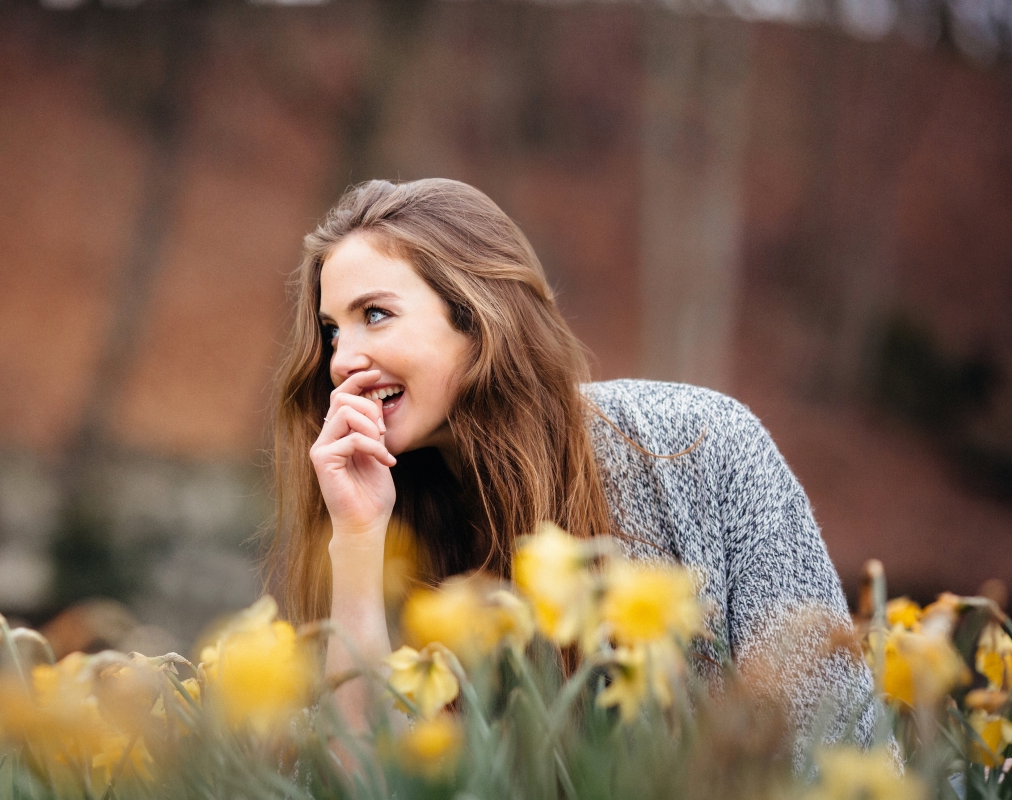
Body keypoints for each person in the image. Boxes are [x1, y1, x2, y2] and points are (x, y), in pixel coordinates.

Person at [266, 178, 877, 756]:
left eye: (374, 314)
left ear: (478, 317)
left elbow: (833, 736)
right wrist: (355, 539)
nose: (342, 361)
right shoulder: (380, 520)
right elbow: (362, 781)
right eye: (331, 332)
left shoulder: (699, 445)